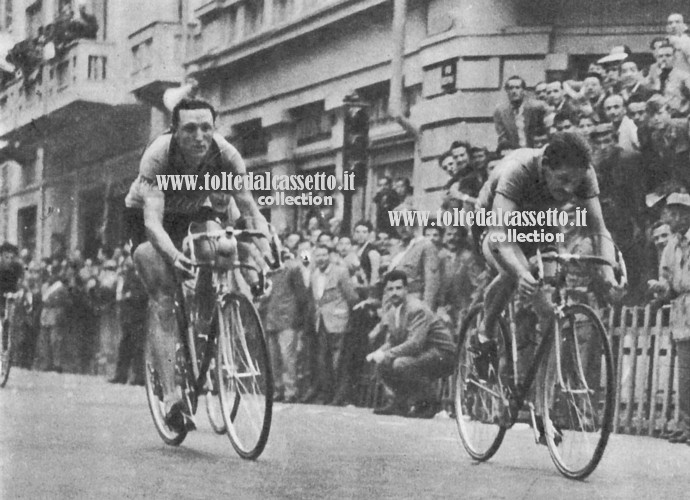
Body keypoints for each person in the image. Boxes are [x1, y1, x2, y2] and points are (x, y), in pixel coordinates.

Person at [123, 98, 272, 431]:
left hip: (192, 213)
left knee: (220, 249)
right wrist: (174, 258)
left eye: (207, 128)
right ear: (175, 130)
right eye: (190, 128)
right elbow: (153, 224)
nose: (199, 136)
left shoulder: (227, 155)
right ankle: (173, 398)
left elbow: (249, 210)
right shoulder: (158, 156)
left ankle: (208, 324)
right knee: (163, 293)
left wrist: (266, 248)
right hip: (149, 219)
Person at [474, 132, 621, 432]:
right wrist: (520, 272)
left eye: (575, 182)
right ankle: (484, 333)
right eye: (563, 180)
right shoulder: (518, 170)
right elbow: (500, 235)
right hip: (496, 221)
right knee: (510, 273)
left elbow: (599, 230)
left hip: (541, 221)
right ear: (546, 168)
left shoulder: (583, 173)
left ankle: (542, 405)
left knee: (551, 311)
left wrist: (608, 272)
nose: (570, 190)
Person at [366, 270, 456, 418]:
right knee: (383, 363)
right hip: (424, 352)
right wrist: (378, 353)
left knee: (400, 363)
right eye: (390, 289)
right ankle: (400, 403)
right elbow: (393, 341)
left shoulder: (416, 308)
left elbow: (415, 344)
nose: (394, 293)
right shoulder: (392, 310)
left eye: (398, 288)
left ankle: (429, 403)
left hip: (442, 354)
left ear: (406, 289)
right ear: (386, 292)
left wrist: (386, 354)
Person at [648, 192, 690, 444]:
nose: (671, 218)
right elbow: (667, 277)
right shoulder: (672, 245)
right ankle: (686, 423)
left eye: (675, 214)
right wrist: (662, 287)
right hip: (682, 315)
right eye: (670, 214)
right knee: (684, 374)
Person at [304, 245, 359, 405]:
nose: (321, 258)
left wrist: (345, 314)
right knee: (324, 361)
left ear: (330, 256)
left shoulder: (340, 271)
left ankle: (340, 396)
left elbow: (351, 296)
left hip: (339, 321)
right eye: (318, 255)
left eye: (324, 255)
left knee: (339, 361)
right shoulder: (314, 274)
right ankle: (328, 395)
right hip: (321, 322)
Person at [493, 75, 548, 150]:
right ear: (507, 91)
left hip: (536, 149)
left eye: (517, 87)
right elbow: (502, 136)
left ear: (524, 91)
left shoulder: (537, 107)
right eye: (511, 88)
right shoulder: (500, 111)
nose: (514, 91)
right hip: (514, 152)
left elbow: (546, 130)